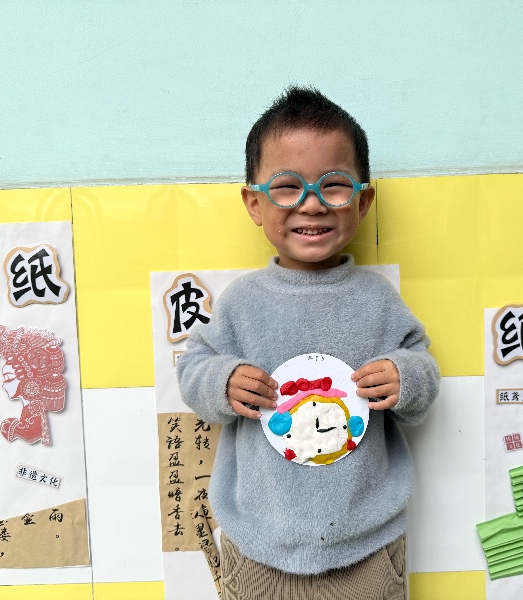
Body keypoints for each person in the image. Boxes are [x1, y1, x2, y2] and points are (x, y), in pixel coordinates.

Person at [177, 85, 440, 600]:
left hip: (367, 547)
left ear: (363, 200)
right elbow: (193, 369)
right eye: (287, 187)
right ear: (254, 203)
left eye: (334, 186)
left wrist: (405, 377)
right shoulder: (242, 302)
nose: (312, 204)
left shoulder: (377, 300)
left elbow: (422, 369)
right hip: (259, 545)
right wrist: (222, 381)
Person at [0, 325, 66, 445]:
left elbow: (30, 434)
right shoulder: (28, 413)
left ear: (27, 380)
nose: (3, 386)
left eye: (8, 378)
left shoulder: (30, 422)